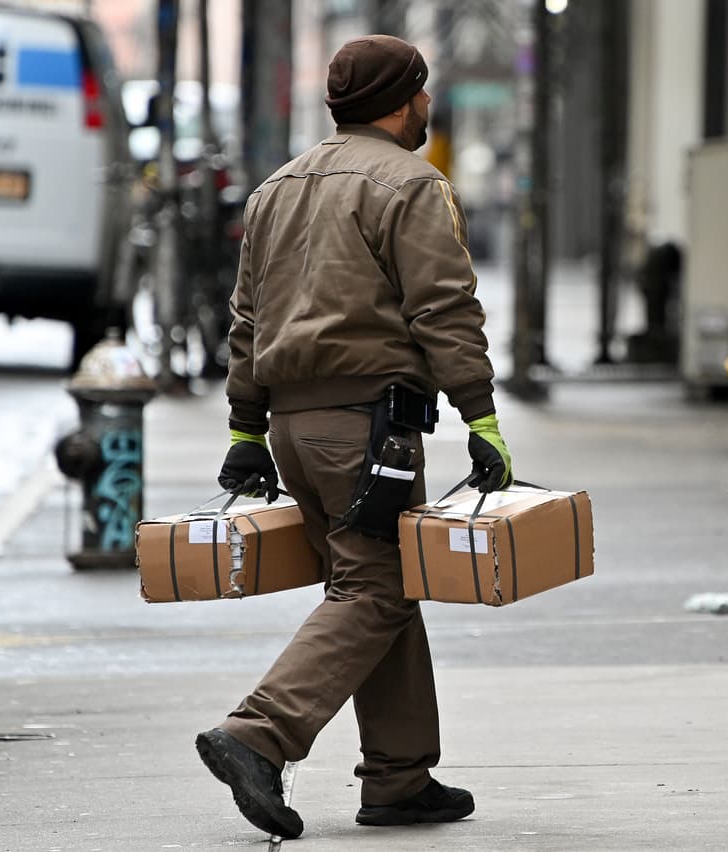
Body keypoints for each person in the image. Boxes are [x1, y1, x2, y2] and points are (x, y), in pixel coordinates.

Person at [194, 34, 514, 840]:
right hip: (367, 430)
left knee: (381, 584)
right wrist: (481, 415)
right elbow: (443, 307)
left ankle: (400, 780)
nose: (428, 107)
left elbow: (246, 319)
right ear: (405, 100)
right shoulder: (410, 183)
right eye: (423, 93)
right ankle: (258, 735)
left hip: (296, 429)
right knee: (374, 589)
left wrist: (245, 429)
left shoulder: (276, 188)